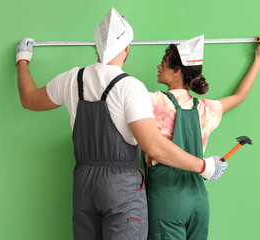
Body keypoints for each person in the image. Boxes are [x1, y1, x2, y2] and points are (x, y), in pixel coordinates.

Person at [15, 8, 227, 240]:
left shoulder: (71, 79)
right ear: (127, 48)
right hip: (122, 188)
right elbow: (154, 146)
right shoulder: (130, 87)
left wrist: (22, 61)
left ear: (96, 46)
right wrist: (203, 166)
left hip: (84, 186)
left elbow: (29, 99)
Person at [145, 35, 260, 239]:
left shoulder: (151, 102)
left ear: (177, 70)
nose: (158, 66)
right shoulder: (205, 109)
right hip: (199, 200)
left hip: (166, 198)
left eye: (163, 63)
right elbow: (239, 97)